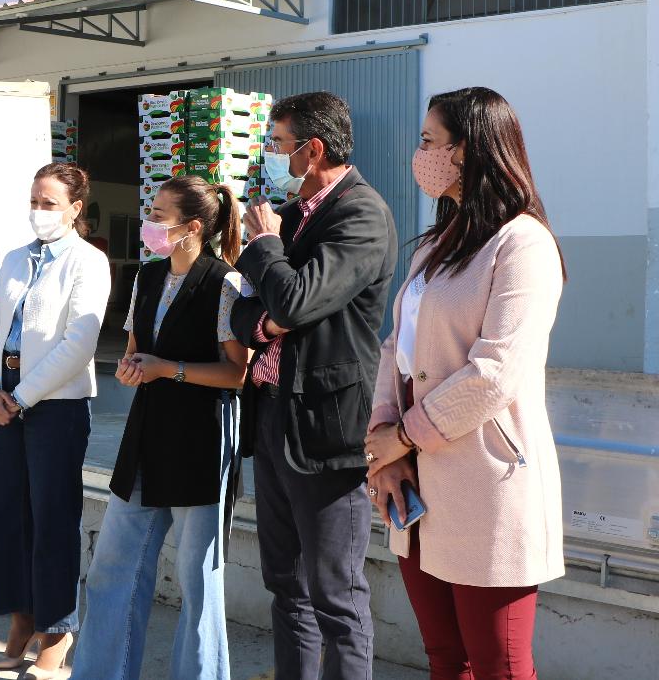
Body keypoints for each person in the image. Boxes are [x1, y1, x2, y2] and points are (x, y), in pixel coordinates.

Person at [364, 87, 565, 680]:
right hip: (417, 485)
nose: (418, 153)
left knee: (498, 664)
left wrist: (405, 435)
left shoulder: (523, 244)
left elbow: (497, 370)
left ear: (468, 151)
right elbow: (394, 349)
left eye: (429, 141)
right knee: (446, 660)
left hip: (486, 482)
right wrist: (382, 442)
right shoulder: (436, 244)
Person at [231, 91, 398, 680]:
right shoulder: (296, 210)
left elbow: (297, 300)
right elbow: (247, 312)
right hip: (274, 413)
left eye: (278, 145)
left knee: (335, 593)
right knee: (286, 583)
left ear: (314, 148)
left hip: (326, 428)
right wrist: (267, 314)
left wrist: (266, 249)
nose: (272, 157)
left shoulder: (360, 214)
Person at [71, 176, 250, 680]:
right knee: (112, 569)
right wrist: (133, 369)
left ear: (192, 227)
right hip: (147, 432)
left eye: (157, 214)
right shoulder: (147, 278)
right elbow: (132, 354)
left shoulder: (226, 282)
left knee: (198, 580)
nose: (147, 223)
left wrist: (166, 368)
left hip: (201, 435)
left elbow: (236, 373)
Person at [0, 163, 111, 679]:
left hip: (54, 406)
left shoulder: (88, 262)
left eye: (51, 203)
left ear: (76, 209)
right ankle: (21, 620)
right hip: (4, 403)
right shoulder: (13, 259)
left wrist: (23, 396)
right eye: (35, 200)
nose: (39, 211)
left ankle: (57, 629)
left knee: (53, 521)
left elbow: (79, 343)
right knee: (7, 519)